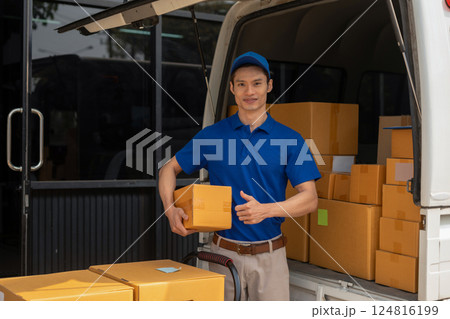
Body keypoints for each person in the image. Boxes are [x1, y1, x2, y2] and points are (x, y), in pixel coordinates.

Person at [158, 51, 320, 301]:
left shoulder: (290, 140)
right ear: (232, 88)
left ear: (269, 86)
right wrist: (170, 210)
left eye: (257, 83)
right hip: (223, 256)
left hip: (271, 258)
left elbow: (310, 199)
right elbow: (168, 169)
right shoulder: (213, 136)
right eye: (241, 84)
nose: (250, 91)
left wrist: (267, 210)